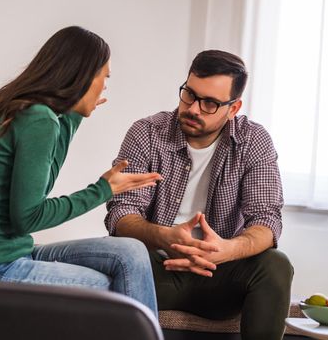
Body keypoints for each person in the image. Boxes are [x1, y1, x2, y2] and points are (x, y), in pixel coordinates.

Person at [0, 26, 161, 316]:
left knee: (131, 252)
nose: (105, 86)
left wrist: (73, 115)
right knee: (111, 292)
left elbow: (42, 185)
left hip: (10, 252)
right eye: (104, 77)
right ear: (82, 75)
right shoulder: (38, 119)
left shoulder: (36, 113)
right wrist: (104, 190)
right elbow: (28, 217)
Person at [105, 50, 294, 339]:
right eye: (189, 95)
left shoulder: (253, 141)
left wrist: (227, 250)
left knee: (276, 265)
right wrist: (165, 237)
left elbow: (267, 220)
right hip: (157, 269)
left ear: (233, 108)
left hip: (220, 272)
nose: (194, 109)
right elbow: (121, 214)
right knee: (120, 257)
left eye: (210, 104)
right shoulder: (146, 133)